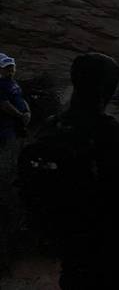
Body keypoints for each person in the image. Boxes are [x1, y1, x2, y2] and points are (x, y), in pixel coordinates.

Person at [21, 53, 119, 289]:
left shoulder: (51, 125)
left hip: (67, 240)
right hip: (105, 240)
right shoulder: (105, 130)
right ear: (104, 87)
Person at [0, 54, 30, 272]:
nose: (10, 70)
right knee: (8, 158)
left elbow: (18, 95)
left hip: (15, 126)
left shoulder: (11, 82)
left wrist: (26, 110)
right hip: (6, 128)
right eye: (6, 68)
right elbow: (3, 104)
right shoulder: (1, 84)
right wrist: (20, 114)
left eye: (11, 67)